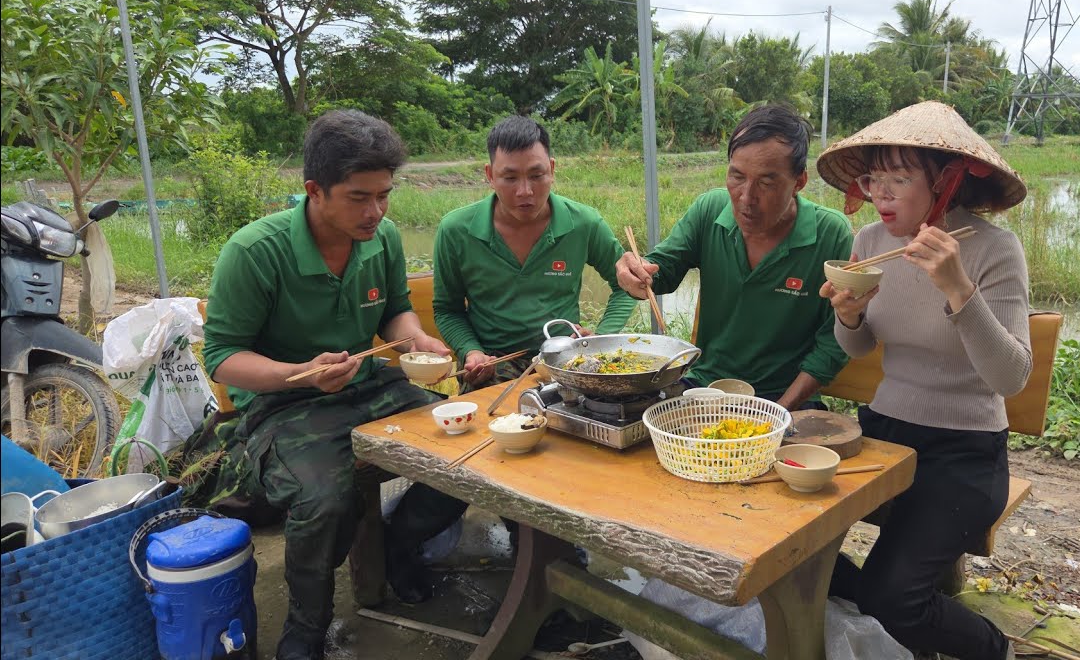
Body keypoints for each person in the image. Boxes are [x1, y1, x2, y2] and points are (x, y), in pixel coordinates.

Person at [199, 110, 468, 660]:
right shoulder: (255, 252)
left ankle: (398, 545)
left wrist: (417, 340)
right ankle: (306, 627)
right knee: (325, 501)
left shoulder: (382, 238)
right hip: (283, 404)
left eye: (384, 195)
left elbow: (394, 312)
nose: (375, 212)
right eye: (358, 197)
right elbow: (222, 358)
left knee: (470, 447)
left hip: (366, 384)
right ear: (314, 191)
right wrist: (298, 373)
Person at [816, 101, 1031, 660]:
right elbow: (859, 346)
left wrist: (958, 288)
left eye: (899, 178)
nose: (879, 194)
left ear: (947, 181)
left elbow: (1011, 377)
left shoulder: (993, 250)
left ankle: (993, 649)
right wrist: (848, 317)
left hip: (964, 451)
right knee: (794, 550)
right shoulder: (871, 242)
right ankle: (879, 619)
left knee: (894, 598)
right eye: (873, 178)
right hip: (883, 435)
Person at [615, 105, 851, 410]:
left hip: (786, 399)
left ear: (799, 182)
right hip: (705, 387)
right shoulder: (709, 210)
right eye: (737, 176)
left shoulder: (830, 234)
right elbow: (662, 271)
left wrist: (778, 410)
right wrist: (634, 272)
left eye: (766, 182)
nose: (746, 197)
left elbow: (834, 340)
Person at [433, 115, 637, 391]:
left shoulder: (584, 223)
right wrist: (471, 351)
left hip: (564, 357)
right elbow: (447, 309)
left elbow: (626, 285)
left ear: (551, 170)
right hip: (493, 362)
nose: (525, 191)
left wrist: (600, 337)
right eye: (510, 178)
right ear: (490, 175)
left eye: (536, 176)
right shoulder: (456, 230)